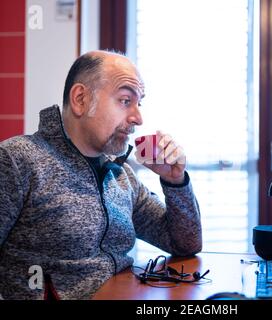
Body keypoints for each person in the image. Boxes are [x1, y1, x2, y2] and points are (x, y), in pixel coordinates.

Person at [0, 50, 202, 300]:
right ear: (81, 99)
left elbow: (184, 244)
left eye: (139, 103)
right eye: (125, 100)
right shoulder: (17, 160)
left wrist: (175, 182)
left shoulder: (121, 175)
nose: (138, 118)